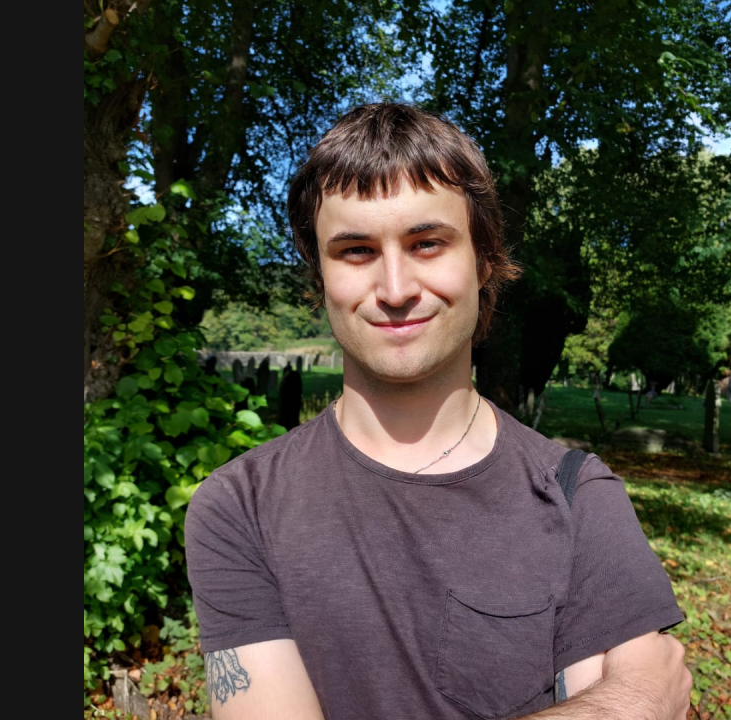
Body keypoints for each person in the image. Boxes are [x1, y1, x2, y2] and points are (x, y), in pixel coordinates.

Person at [185, 102, 691, 720]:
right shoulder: (240, 506)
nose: (395, 289)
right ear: (319, 277)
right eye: (355, 251)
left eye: (428, 243)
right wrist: (626, 704)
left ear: (483, 263)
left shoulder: (577, 496)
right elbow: (640, 698)